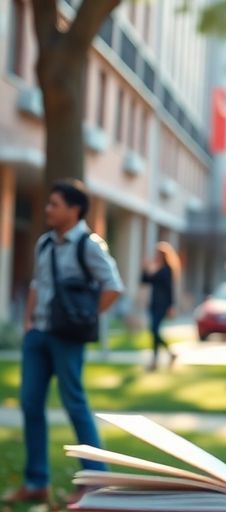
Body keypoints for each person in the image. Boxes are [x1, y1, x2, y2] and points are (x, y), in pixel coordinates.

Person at [3, 180, 124, 507]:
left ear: (74, 209)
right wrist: (29, 323)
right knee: (30, 405)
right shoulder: (44, 243)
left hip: (67, 339)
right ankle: (36, 482)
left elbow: (114, 286)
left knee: (75, 405)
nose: (47, 209)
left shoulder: (89, 245)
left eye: (54, 204)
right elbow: (36, 284)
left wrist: (85, 319)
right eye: (48, 204)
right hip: (38, 335)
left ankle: (96, 481)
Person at [141, 242, 180, 371]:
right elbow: (145, 280)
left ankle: (158, 359)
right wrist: (145, 268)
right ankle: (164, 356)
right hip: (153, 303)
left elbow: (170, 289)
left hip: (162, 305)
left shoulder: (166, 270)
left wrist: (171, 306)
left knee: (154, 330)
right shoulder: (157, 269)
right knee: (154, 331)